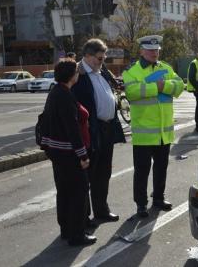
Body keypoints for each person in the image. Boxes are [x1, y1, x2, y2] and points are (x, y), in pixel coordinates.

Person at [123, 35, 184, 218]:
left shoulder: (166, 68)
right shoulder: (132, 71)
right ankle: (141, 204)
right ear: (141, 51)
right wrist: (156, 87)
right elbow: (132, 93)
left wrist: (162, 84)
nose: (154, 53)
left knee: (161, 168)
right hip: (144, 133)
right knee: (141, 171)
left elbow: (180, 86)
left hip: (164, 133)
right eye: (150, 50)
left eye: (157, 50)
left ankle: (158, 197)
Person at [40, 59, 96, 246]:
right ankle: (77, 234)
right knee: (78, 193)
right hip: (69, 153)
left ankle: (66, 229)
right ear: (72, 75)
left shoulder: (56, 92)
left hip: (58, 153)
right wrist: (83, 155)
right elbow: (72, 129)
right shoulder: (64, 95)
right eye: (77, 72)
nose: (78, 74)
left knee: (63, 192)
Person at [72, 38, 125, 224]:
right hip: (91, 130)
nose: (102, 62)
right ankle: (83, 217)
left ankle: (101, 210)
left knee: (104, 172)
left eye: (103, 58)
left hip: (107, 128)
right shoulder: (77, 74)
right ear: (87, 56)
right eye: (99, 58)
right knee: (87, 175)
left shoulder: (101, 70)